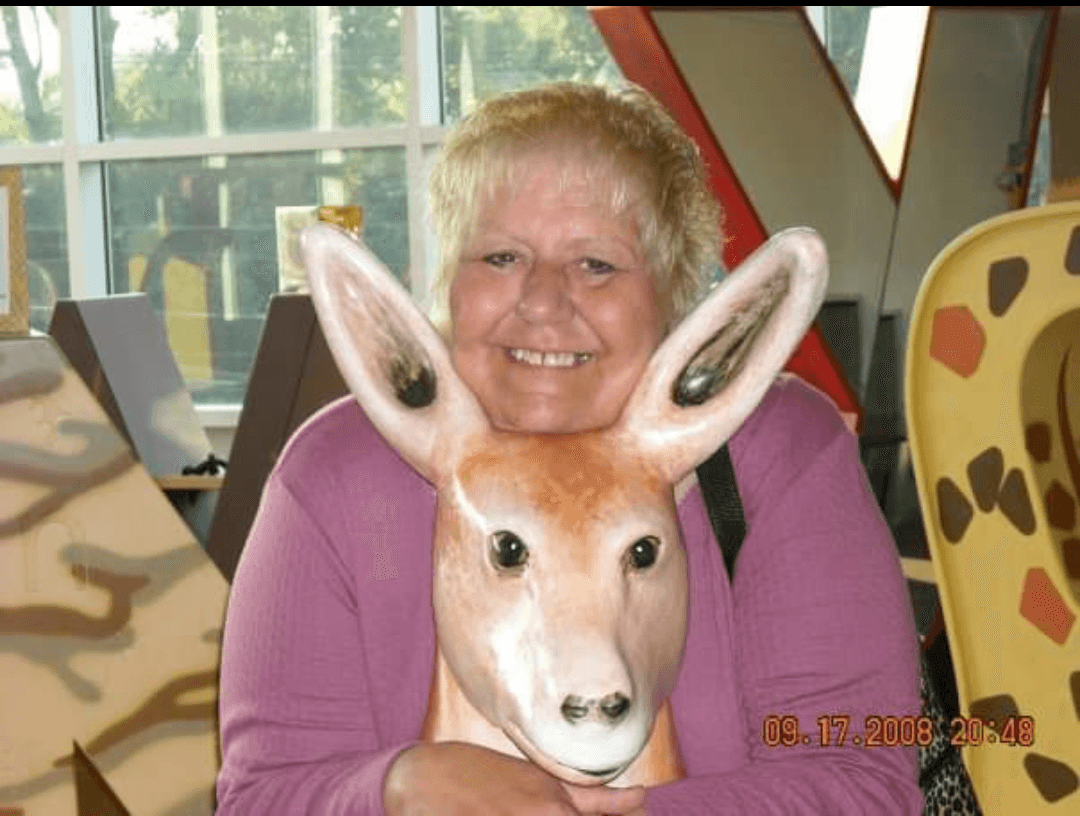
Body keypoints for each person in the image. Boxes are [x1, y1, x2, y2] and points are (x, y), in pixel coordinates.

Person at [215, 81, 922, 815]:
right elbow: (264, 796)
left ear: (673, 297)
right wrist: (399, 787)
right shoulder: (339, 473)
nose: (543, 302)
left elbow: (862, 781)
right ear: (448, 285)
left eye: (596, 265)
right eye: (500, 257)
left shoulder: (775, 454)